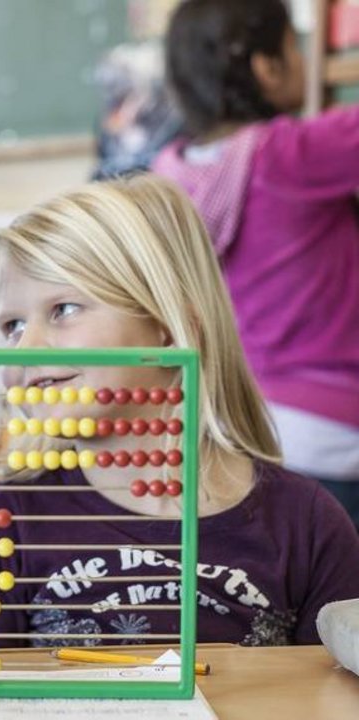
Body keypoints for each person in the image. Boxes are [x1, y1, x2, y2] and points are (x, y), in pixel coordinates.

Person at [0, 175, 359, 648]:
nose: (25, 347)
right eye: (13, 325)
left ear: (165, 329)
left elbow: (336, 697)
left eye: (63, 309)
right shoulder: (11, 518)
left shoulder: (307, 523)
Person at [151, 0, 359, 528]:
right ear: (266, 67)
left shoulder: (168, 175)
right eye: (295, 47)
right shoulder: (293, 153)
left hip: (239, 427)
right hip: (337, 429)